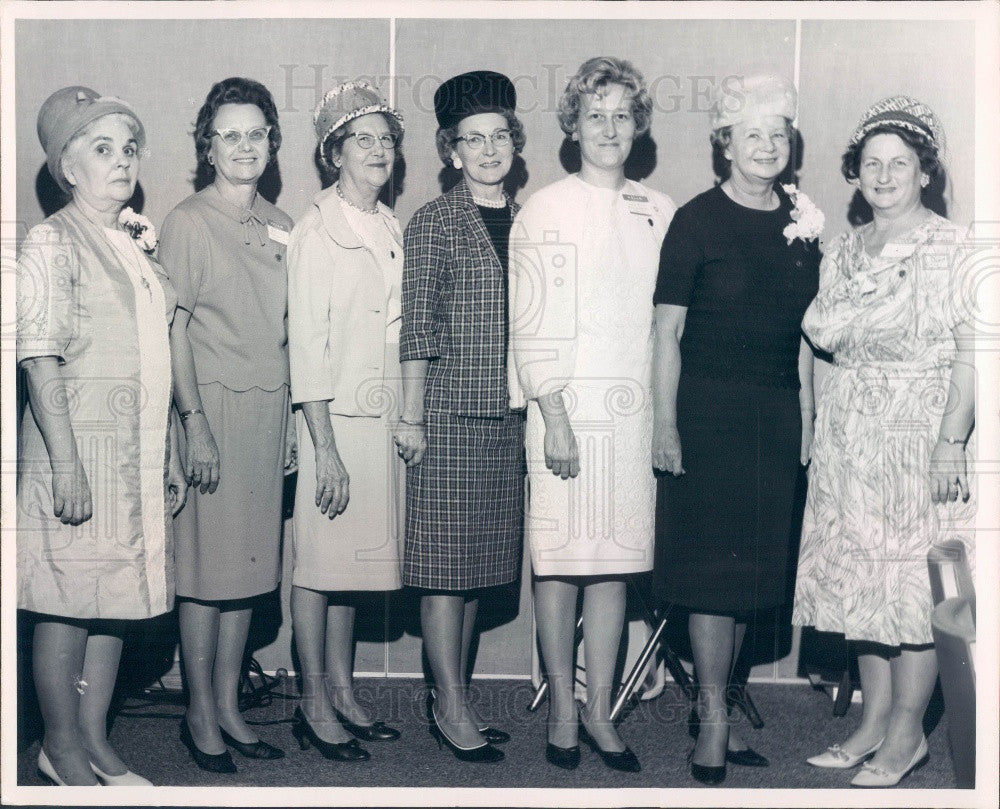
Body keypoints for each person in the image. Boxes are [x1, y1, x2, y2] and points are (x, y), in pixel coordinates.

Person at [793, 96, 975, 788]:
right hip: (848, 435)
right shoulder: (842, 248)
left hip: (915, 431)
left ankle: (906, 734)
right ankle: (870, 721)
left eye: (900, 163)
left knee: (907, 583)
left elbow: (971, 351)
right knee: (858, 581)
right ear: (856, 173)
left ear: (924, 172)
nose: (885, 174)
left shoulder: (955, 247)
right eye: (872, 163)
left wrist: (951, 440)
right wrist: (815, 427)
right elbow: (820, 346)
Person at [651, 74, 821, 784]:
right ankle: (713, 713)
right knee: (711, 578)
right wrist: (664, 424)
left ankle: (720, 698)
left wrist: (809, 421)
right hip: (708, 412)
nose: (766, 146)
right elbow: (666, 331)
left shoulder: (803, 222)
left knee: (752, 573)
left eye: (777, 134)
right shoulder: (696, 219)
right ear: (724, 144)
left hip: (775, 416)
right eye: (751, 134)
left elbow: (812, 336)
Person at [508, 56, 675, 774]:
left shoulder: (659, 209)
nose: (608, 128)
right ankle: (565, 715)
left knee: (614, 563)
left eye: (621, 115)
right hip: (566, 408)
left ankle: (603, 710)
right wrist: (555, 415)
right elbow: (532, 322)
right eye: (594, 115)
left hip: (633, 412)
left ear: (638, 126)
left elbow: (667, 325)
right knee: (562, 563)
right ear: (572, 125)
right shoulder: (546, 206)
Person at [17, 86, 185, 786]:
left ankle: (94, 741)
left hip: (134, 458)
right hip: (77, 454)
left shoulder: (132, 243)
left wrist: (170, 449)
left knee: (115, 597)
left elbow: (157, 358)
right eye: (101, 148)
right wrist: (67, 465)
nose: (122, 161)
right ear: (68, 167)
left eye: (129, 148)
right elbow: (37, 352)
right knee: (66, 599)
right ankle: (58, 745)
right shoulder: (51, 239)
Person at [158, 77, 295, 772]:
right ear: (208, 146)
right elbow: (172, 329)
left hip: (269, 415)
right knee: (204, 573)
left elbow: (289, 331)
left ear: (273, 144)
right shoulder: (186, 220)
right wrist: (194, 424)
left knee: (250, 569)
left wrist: (297, 418)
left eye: (256, 133)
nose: (244, 145)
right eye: (230, 133)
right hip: (209, 408)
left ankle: (231, 706)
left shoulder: (282, 223)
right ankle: (198, 712)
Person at [394, 70, 527, 764]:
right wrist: (410, 417)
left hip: (509, 419)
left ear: (514, 142)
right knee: (446, 569)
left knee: (479, 566)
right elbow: (418, 327)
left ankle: (456, 693)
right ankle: (448, 703)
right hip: (447, 414)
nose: (486, 150)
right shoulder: (435, 221)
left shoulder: (531, 216)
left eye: (497, 136)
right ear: (451, 151)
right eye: (471, 140)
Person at [285, 81, 406, 762]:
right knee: (317, 567)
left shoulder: (387, 221)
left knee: (352, 566)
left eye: (387, 138)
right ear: (334, 152)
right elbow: (308, 345)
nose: (379, 149)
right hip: (331, 420)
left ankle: (344, 691)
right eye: (364, 138)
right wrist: (323, 448)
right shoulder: (316, 229)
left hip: (376, 418)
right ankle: (311, 704)